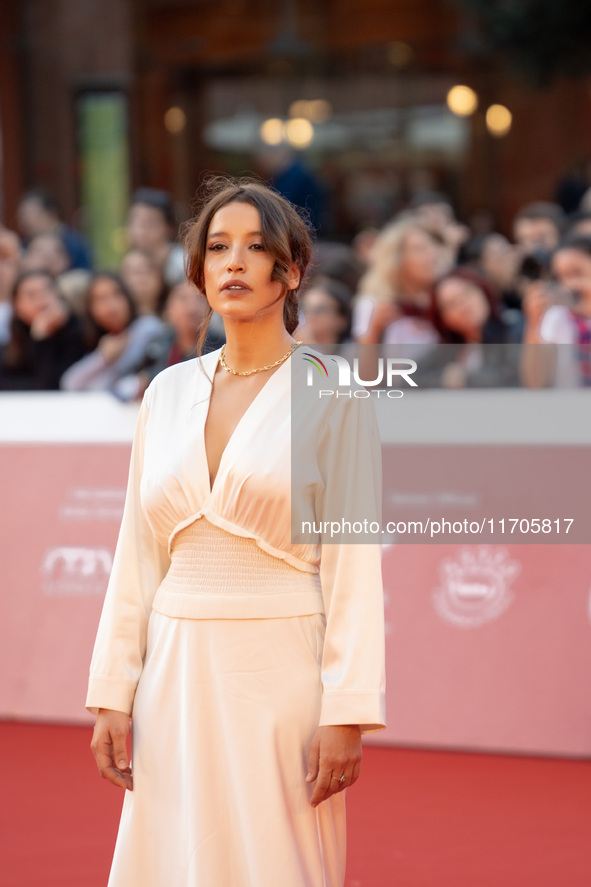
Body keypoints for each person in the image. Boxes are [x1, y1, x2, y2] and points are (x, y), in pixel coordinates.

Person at [86, 177, 386, 887]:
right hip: (174, 667)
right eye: (218, 247)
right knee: (171, 859)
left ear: (291, 271)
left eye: (256, 247)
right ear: (196, 270)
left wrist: (347, 708)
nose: (234, 262)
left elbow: (352, 565)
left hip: (280, 670)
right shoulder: (166, 392)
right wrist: (112, 690)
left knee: (276, 862)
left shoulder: (334, 389)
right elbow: (136, 554)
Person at [60, 272, 165, 401]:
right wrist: (103, 357)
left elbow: (118, 383)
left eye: (116, 294)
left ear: (127, 297)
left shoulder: (148, 328)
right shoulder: (86, 337)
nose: (110, 305)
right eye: (101, 299)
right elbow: (69, 383)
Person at [352, 217, 450, 350]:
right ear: (397, 259)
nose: (432, 255)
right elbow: (363, 370)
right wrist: (374, 330)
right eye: (420, 249)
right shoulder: (373, 305)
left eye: (434, 246)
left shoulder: (447, 300)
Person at [417, 267, 521, 388]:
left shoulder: (514, 328)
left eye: (467, 293)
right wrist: (443, 380)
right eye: (452, 304)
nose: (463, 305)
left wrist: (465, 378)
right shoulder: (448, 349)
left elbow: (515, 377)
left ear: (482, 290)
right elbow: (409, 378)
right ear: (443, 319)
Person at [521, 235, 591, 387]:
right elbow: (535, 382)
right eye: (560, 277)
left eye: (577, 273)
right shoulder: (556, 317)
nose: (569, 285)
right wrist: (533, 323)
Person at [0, 269, 86, 390]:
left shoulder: (78, 332)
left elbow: (51, 385)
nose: (41, 300)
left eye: (47, 291)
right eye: (31, 295)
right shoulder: (9, 336)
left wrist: (42, 337)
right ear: (16, 305)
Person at [16, 188, 93, 270]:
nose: (26, 221)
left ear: (51, 213)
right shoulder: (24, 243)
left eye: (31, 214)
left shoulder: (74, 243)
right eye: (22, 216)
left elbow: (86, 272)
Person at [126, 187, 185, 288]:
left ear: (168, 228)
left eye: (149, 222)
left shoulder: (184, 266)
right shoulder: (128, 265)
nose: (141, 229)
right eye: (136, 221)